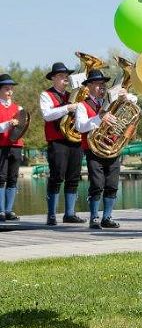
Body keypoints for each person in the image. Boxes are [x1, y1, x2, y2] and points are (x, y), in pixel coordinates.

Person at [74, 69, 134, 229]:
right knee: (97, 183)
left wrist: (124, 97)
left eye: (103, 84)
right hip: (93, 149)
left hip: (112, 147)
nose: (102, 87)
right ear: (90, 86)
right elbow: (80, 126)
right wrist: (99, 117)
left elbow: (133, 103)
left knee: (112, 183)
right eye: (99, 85)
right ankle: (94, 217)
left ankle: (107, 217)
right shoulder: (82, 105)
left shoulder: (111, 101)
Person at [40, 61, 85, 225]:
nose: (65, 79)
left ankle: (70, 213)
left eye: (66, 76)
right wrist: (67, 108)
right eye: (61, 76)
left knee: (73, 176)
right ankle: (51, 214)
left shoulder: (71, 95)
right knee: (57, 176)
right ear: (53, 78)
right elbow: (47, 115)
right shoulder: (46, 95)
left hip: (74, 140)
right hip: (57, 141)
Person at [0, 74, 24, 221]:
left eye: (11, 88)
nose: (10, 91)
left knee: (13, 178)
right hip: (1, 145)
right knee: (1, 178)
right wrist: (8, 124)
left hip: (16, 145)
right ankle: (1, 210)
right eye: (6, 88)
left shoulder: (19, 108)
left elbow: (23, 126)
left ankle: (9, 210)